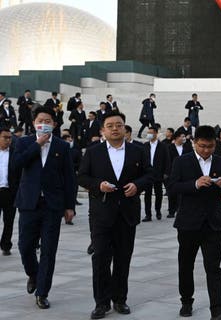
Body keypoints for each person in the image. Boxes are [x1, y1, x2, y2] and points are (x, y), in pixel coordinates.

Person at [77, 112, 153, 319]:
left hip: (127, 213)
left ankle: (120, 299)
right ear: (103, 130)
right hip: (101, 213)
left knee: (122, 258)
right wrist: (98, 185)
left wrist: (138, 185)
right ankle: (101, 303)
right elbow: (82, 176)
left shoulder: (138, 150)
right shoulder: (93, 152)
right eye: (109, 125)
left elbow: (150, 174)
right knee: (100, 257)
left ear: (125, 128)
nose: (114, 129)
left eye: (118, 125)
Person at [167, 125, 221, 320]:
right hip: (188, 222)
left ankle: (218, 309)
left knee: (214, 266)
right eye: (202, 146)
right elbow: (172, 186)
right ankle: (186, 300)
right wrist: (194, 184)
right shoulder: (182, 161)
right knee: (186, 264)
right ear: (194, 143)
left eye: (210, 146)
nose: (206, 150)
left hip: (213, 223)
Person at [13, 107, 76, 309]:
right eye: (40, 120)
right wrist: (37, 145)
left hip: (52, 205)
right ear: (34, 123)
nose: (44, 123)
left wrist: (69, 205)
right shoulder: (23, 142)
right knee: (25, 246)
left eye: (48, 120)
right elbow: (16, 164)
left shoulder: (61, 146)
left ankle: (42, 292)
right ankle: (33, 273)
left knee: (49, 250)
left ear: (55, 124)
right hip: (29, 203)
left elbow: (69, 177)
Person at [143, 125, 171, 221]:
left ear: (156, 133)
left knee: (158, 193)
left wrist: (166, 172)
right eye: (148, 133)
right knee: (147, 194)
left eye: (151, 133)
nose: (149, 134)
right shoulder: (145, 145)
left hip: (158, 173)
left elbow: (167, 160)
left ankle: (158, 211)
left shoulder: (163, 146)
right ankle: (148, 214)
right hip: (147, 173)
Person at [0, 128, 19, 256]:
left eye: (9, 138)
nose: (8, 140)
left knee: (9, 220)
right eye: (5, 137)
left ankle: (6, 245)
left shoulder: (15, 153)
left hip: (9, 192)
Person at [167, 132, 193, 218]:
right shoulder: (169, 147)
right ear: (177, 138)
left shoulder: (187, 147)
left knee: (182, 193)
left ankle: (180, 209)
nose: (184, 138)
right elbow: (166, 160)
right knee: (172, 193)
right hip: (172, 173)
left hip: (185, 173)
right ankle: (171, 211)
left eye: (185, 136)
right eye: (182, 136)